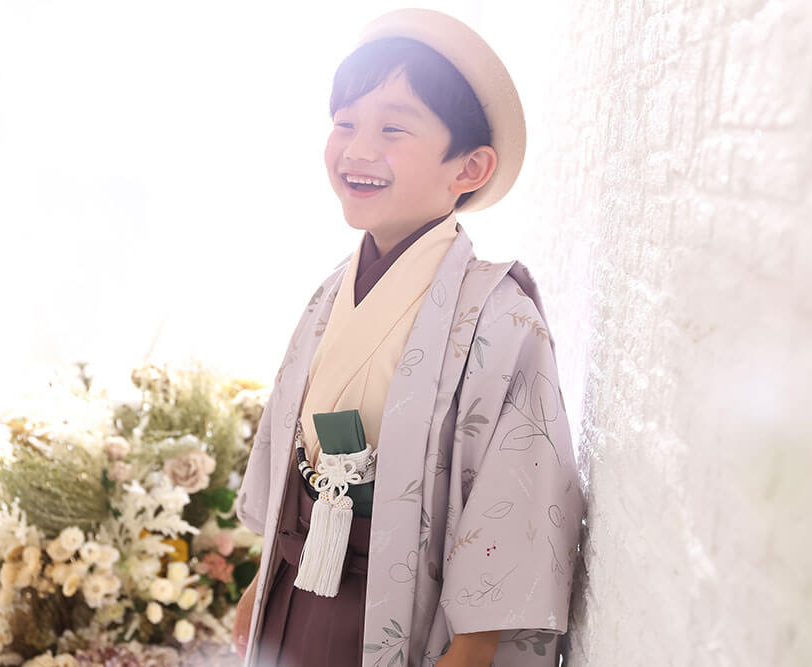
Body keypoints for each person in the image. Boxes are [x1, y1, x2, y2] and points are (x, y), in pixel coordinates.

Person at [232, 8, 583, 666]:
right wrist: (260, 579)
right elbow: (290, 443)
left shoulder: (501, 317)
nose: (358, 149)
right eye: (345, 123)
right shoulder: (331, 292)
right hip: (299, 580)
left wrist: (475, 646)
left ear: (470, 167)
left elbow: (518, 488)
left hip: (397, 606)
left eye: (393, 127)